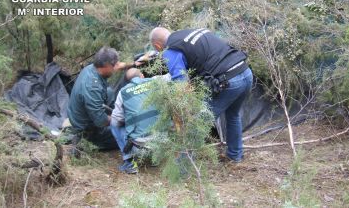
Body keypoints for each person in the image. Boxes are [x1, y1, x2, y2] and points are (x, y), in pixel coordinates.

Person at [149, 27, 253, 162]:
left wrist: (186, 112)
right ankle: (235, 156)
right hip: (245, 72)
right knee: (233, 116)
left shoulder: (171, 50)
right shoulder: (191, 32)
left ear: (157, 46)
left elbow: (181, 83)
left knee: (197, 125)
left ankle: (182, 168)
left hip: (229, 82)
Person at [67, 46, 141, 150]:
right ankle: (90, 141)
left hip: (85, 115)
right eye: (114, 66)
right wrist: (123, 120)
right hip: (88, 129)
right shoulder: (92, 87)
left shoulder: (92, 68)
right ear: (106, 65)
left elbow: (120, 65)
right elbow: (100, 121)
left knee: (110, 92)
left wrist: (134, 63)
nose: (116, 68)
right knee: (132, 132)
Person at [110, 68, 169, 174]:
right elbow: (174, 76)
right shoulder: (155, 81)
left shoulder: (123, 92)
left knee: (114, 124)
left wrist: (130, 119)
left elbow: (117, 119)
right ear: (142, 75)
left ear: (128, 82)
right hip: (163, 144)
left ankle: (130, 164)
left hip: (139, 149)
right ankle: (155, 158)